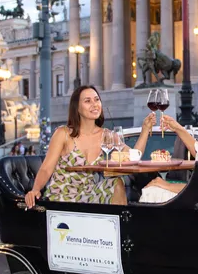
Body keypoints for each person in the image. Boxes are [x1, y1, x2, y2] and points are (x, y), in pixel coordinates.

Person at [24, 85, 153, 207]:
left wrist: (145, 130)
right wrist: (35, 190)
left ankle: (120, 229)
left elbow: (134, 157)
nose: (94, 104)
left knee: (117, 183)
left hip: (88, 196)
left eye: (97, 100)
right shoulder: (63, 133)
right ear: (77, 107)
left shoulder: (107, 135)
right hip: (62, 197)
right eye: (87, 101)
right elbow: (46, 168)